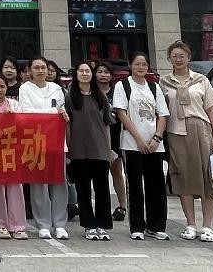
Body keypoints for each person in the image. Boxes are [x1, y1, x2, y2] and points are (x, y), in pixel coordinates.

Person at [160, 39, 213, 243]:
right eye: (174, 56)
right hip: (176, 132)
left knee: (208, 177)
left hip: (201, 131)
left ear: (189, 57)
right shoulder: (163, 82)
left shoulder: (201, 80)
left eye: (182, 56)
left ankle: (207, 226)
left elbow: (211, 111)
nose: (178, 59)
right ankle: (190, 224)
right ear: (169, 59)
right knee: (182, 177)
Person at [111, 52, 170, 241]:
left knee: (156, 185)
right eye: (137, 64)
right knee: (135, 185)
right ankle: (137, 226)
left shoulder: (154, 87)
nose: (141, 67)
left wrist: (157, 138)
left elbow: (163, 114)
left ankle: (156, 226)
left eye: (144, 64)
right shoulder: (123, 86)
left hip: (154, 144)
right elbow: (121, 113)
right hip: (132, 143)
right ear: (130, 65)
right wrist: (139, 140)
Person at [18, 55, 70, 240]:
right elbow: (27, 113)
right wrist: (52, 113)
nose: (40, 71)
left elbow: (62, 113)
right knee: (38, 184)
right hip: (36, 142)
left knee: (59, 182)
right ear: (30, 71)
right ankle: (43, 224)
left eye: (43, 67)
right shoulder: (25, 89)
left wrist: (54, 115)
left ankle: (60, 224)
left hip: (56, 141)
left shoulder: (57, 89)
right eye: (36, 68)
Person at [64, 60, 113, 240]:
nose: (84, 74)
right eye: (81, 71)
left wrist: (108, 149)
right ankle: (89, 225)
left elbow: (107, 124)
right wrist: (68, 149)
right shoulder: (70, 97)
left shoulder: (100, 97)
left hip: (99, 149)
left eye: (87, 71)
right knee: (83, 190)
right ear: (76, 74)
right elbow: (67, 125)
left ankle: (102, 225)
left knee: (102, 189)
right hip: (79, 150)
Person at [0, 74, 28, 239]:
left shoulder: (14, 105)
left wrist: (14, 117)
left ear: (6, 88)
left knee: (15, 187)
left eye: (2, 86)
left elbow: (24, 125)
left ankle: (17, 226)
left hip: (12, 151)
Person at [93, 61, 127, 221]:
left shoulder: (117, 92)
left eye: (106, 72)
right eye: (100, 71)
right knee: (98, 174)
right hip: (95, 137)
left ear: (111, 75)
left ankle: (122, 206)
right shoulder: (91, 92)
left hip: (115, 136)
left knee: (117, 172)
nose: (103, 75)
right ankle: (102, 208)